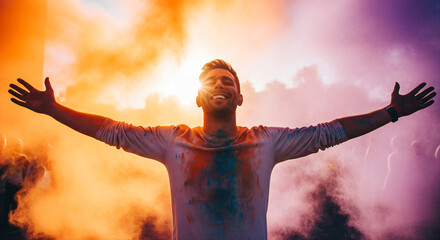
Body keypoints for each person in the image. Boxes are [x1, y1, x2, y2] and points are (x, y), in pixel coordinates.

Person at [7, 59, 436, 239]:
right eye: (211, 80)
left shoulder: (267, 140)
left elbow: (329, 132)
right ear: (197, 97)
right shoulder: (170, 139)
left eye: (228, 81)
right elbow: (112, 130)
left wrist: (390, 113)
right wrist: (56, 110)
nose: (219, 84)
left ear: (239, 98)